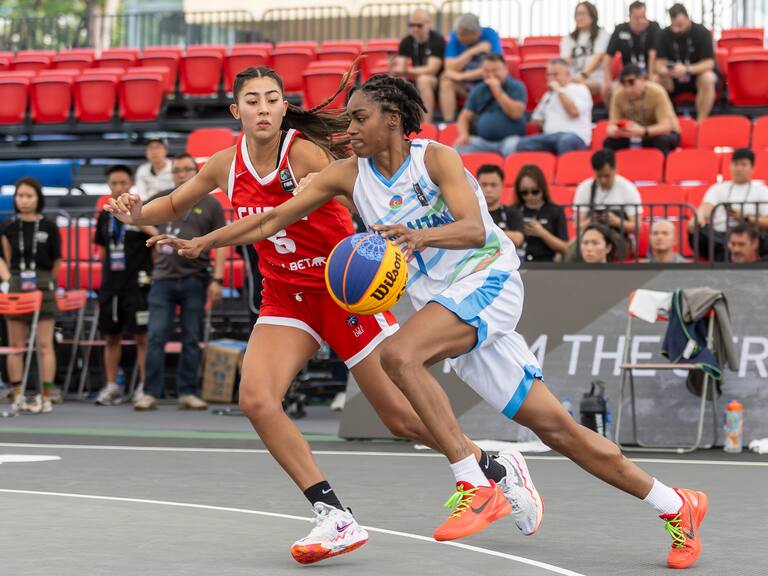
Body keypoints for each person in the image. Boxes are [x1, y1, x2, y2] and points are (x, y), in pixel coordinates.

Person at [158, 73, 709, 569]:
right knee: (558, 429)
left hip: (488, 279)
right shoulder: (347, 175)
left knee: (400, 356)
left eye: (359, 119)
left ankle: (475, 483)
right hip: (444, 303)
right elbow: (272, 219)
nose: (348, 129)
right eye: (347, 119)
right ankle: (675, 503)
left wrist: (417, 236)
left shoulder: (435, 159)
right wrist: (201, 241)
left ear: (391, 121)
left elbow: (473, 230)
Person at [105, 67, 535, 564]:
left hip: (344, 294)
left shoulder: (306, 155)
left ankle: (492, 466)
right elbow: (175, 202)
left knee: (398, 419)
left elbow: (329, 193)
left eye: (272, 99)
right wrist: (134, 213)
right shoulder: (225, 164)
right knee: (256, 398)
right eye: (252, 100)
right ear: (236, 111)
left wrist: (209, 239)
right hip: (285, 296)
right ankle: (333, 515)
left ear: (285, 107)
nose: (263, 108)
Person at [134, 154, 226, 411]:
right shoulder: (165, 197)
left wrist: (217, 279)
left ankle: (188, 391)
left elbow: (220, 245)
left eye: (187, 170)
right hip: (163, 279)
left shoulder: (211, 204)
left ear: (196, 173)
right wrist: (157, 234)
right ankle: (149, 391)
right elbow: (139, 218)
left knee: (191, 337)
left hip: (195, 277)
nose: (182, 174)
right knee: (155, 336)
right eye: (177, 170)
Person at [93, 166, 157, 406]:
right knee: (111, 336)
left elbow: (154, 237)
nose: (118, 187)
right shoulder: (104, 215)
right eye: (114, 183)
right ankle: (111, 386)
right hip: (111, 285)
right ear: (109, 186)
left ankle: (144, 386)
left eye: (123, 183)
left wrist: (135, 218)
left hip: (138, 284)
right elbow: (102, 250)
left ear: (130, 184)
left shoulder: (141, 211)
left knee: (142, 337)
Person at [0, 177, 62, 414]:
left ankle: (45, 396)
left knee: (45, 345)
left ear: (38, 198)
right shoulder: (8, 226)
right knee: (16, 345)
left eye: (29, 196)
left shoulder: (49, 226)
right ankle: (17, 395)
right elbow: (3, 257)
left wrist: (49, 284)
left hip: (42, 282)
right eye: (20, 196)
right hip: (16, 281)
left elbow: (57, 260)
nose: (24, 200)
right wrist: (6, 280)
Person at [689, 148, 768, 261]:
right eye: (735, 164)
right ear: (730, 166)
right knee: (695, 230)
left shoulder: (762, 190)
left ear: (752, 168)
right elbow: (706, 206)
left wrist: (745, 218)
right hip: (720, 237)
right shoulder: (718, 188)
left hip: (751, 236)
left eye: (743, 164)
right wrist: (699, 216)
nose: (739, 168)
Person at [454, 52, 526, 157]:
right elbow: (464, 117)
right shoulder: (478, 90)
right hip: (483, 141)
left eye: (495, 71)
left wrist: (497, 92)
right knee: (458, 149)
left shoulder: (516, 86)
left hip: (509, 140)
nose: (491, 75)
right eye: (487, 71)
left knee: (513, 148)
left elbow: (516, 113)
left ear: (505, 69)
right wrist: (464, 134)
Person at [515, 58, 592, 154]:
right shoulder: (548, 95)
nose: (551, 78)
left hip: (575, 137)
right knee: (522, 144)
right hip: (550, 137)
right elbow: (536, 119)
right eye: (548, 75)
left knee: (565, 141)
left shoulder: (580, 89)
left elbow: (574, 112)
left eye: (555, 75)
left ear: (568, 75)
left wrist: (559, 90)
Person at [655, 3, 718, 121]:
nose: (678, 29)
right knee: (656, 80)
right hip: (674, 78)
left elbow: (709, 63)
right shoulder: (664, 34)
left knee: (708, 78)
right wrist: (667, 72)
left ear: (687, 17)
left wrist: (687, 69)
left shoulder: (701, 32)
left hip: (695, 76)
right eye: (675, 25)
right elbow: (659, 64)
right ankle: (666, 121)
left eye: (680, 25)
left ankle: (700, 122)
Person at [604, 63, 681, 155]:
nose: (628, 89)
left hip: (658, 133)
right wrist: (617, 131)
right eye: (624, 84)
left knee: (661, 141)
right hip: (633, 133)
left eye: (632, 83)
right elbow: (611, 126)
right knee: (609, 142)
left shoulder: (657, 92)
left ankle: (664, 167)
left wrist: (643, 131)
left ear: (643, 80)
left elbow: (666, 127)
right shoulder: (618, 95)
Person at [573, 149, 642, 248]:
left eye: (607, 176)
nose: (603, 180)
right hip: (591, 238)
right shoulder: (584, 188)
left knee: (598, 248)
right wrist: (591, 221)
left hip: (619, 239)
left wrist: (617, 221)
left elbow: (637, 228)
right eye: (599, 176)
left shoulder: (628, 189)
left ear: (615, 170)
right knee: (571, 249)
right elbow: (577, 225)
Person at [439, 13, 502, 122]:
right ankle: (448, 124)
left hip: (485, 83)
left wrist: (461, 76)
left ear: (476, 33)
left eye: (462, 34)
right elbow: (449, 66)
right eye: (458, 34)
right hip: (466, 85)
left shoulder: (490, 35)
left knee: (492, 79)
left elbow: (494, 69)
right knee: (446, 81)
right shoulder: (456, 35)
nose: (458, 37)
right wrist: (472, 51)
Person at [391, 8, 445, 120]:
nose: (415, 29)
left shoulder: (437, 39)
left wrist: (406, 71)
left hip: (438, 81)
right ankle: (398, 120)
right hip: (416, 79)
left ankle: (426, 124)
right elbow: (400, 68)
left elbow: (432, 70)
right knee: (398, 80)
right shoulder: (407, 41)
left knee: (423, 79)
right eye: (411, 25)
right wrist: (396, 69)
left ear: (428, 24)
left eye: (419, 25)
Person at [602, 1, 661, 102]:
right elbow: (608, 56)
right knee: (606, 89)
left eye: (643, 17)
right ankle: (615, 116)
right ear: (630, 17)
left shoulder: (653, 27)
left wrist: (651, 77)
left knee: (656, 84)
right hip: (627, 76)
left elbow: (653, 55)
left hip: (647, 73)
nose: (641, 21)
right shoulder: (620, 29)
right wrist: (608, 80)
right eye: (637, 18)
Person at [513, 164, 569, 262]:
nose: (530, 196)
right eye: (524, 192)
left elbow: (565, 248)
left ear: (542, 188)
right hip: (517, 264)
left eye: (535, 191)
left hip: (546, 265)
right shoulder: (512, 210)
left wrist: (542, 233)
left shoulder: (555, 210)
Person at [560, 1, 610, 96]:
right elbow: (564, 61)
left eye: (582, 14)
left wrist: (583, 75)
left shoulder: (602, 34)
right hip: (572, 78)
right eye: (577, 14)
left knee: (576, 88)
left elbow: (598, 57)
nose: (579, 17)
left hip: (595, 78)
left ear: (592, 16)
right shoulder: (568, 38)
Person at [475, 164, 523, 246]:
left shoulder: (512, 213)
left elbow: (518, 239)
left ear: (502, 186)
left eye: (493, 185)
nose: (488, 189)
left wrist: (482, 234)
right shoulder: (471, 212)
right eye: (484, 185)